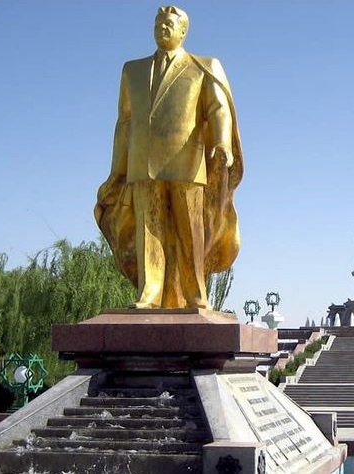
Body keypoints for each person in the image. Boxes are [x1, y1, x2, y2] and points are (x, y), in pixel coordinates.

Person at [95, 5, 242, 310]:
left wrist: (222, 143)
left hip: (187, 162)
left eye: (169, 25)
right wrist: (117, 168)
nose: (162, 29)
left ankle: (195, 293)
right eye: (158, 24)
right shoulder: (132, 70)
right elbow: (124, 121)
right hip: (141, 163)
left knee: (191, 232)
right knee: (149, 231)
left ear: (183, 31)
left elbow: (218, 109)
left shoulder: (203, 66)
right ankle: (149, 291)